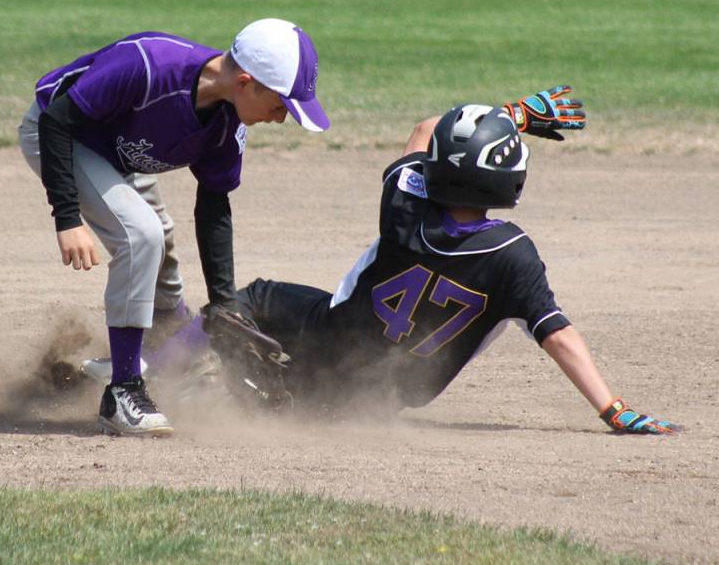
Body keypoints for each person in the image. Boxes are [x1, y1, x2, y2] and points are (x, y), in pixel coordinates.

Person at [144, 90, 679, 434]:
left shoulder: (407, 204)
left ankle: (150, 378)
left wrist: (512, 113)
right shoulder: (513, 256)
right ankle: (260, 393)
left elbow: (428, 126)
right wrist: (613, 409)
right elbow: (558, 335)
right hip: (379, 398)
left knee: (247, 300)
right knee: (307, 383)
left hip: (332, 336)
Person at [19, 18, 330, 437]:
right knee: (141, 235)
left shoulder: (227, 123)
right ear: (245, 82)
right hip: (61, 135)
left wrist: (223, 303)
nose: (281, 118)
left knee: (158, 242)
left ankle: (158, 354)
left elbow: (213, 205)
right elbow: (58, 121)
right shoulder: (147, 66)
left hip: (118, 152)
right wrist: (68, 216)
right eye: (281, 106)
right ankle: (124, 392)